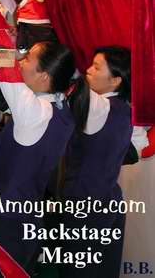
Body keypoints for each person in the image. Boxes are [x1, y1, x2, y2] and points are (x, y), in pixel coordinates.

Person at [0, 41, 118, 277]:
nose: (21, 63)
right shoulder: (62, 107)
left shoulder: (33, 113)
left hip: (6, 220)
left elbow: (3, 61)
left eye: (27, 59)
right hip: (29, 216)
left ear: (44, 76)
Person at [58, 46, 134, 278]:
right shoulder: (126, 109)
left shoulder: (100, 107)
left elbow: (67, 75)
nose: (88, 70)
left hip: (85, 203)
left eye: (96, 67)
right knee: (105, 268)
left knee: (78, 269)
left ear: (115, 80)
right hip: (110, 199)